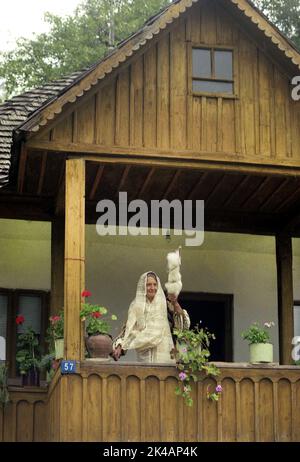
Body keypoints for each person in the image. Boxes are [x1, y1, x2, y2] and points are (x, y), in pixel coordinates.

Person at [111, 271, 190, 363]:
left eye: (155, 284)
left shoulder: (166, 305)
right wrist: (119, 346)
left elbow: (183, 326)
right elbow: (128, 330)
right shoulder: (136, 306)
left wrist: (175, 302)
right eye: (148, 285)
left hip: (165, 356)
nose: (152, 288)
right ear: (142, 287)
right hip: (145, 357)